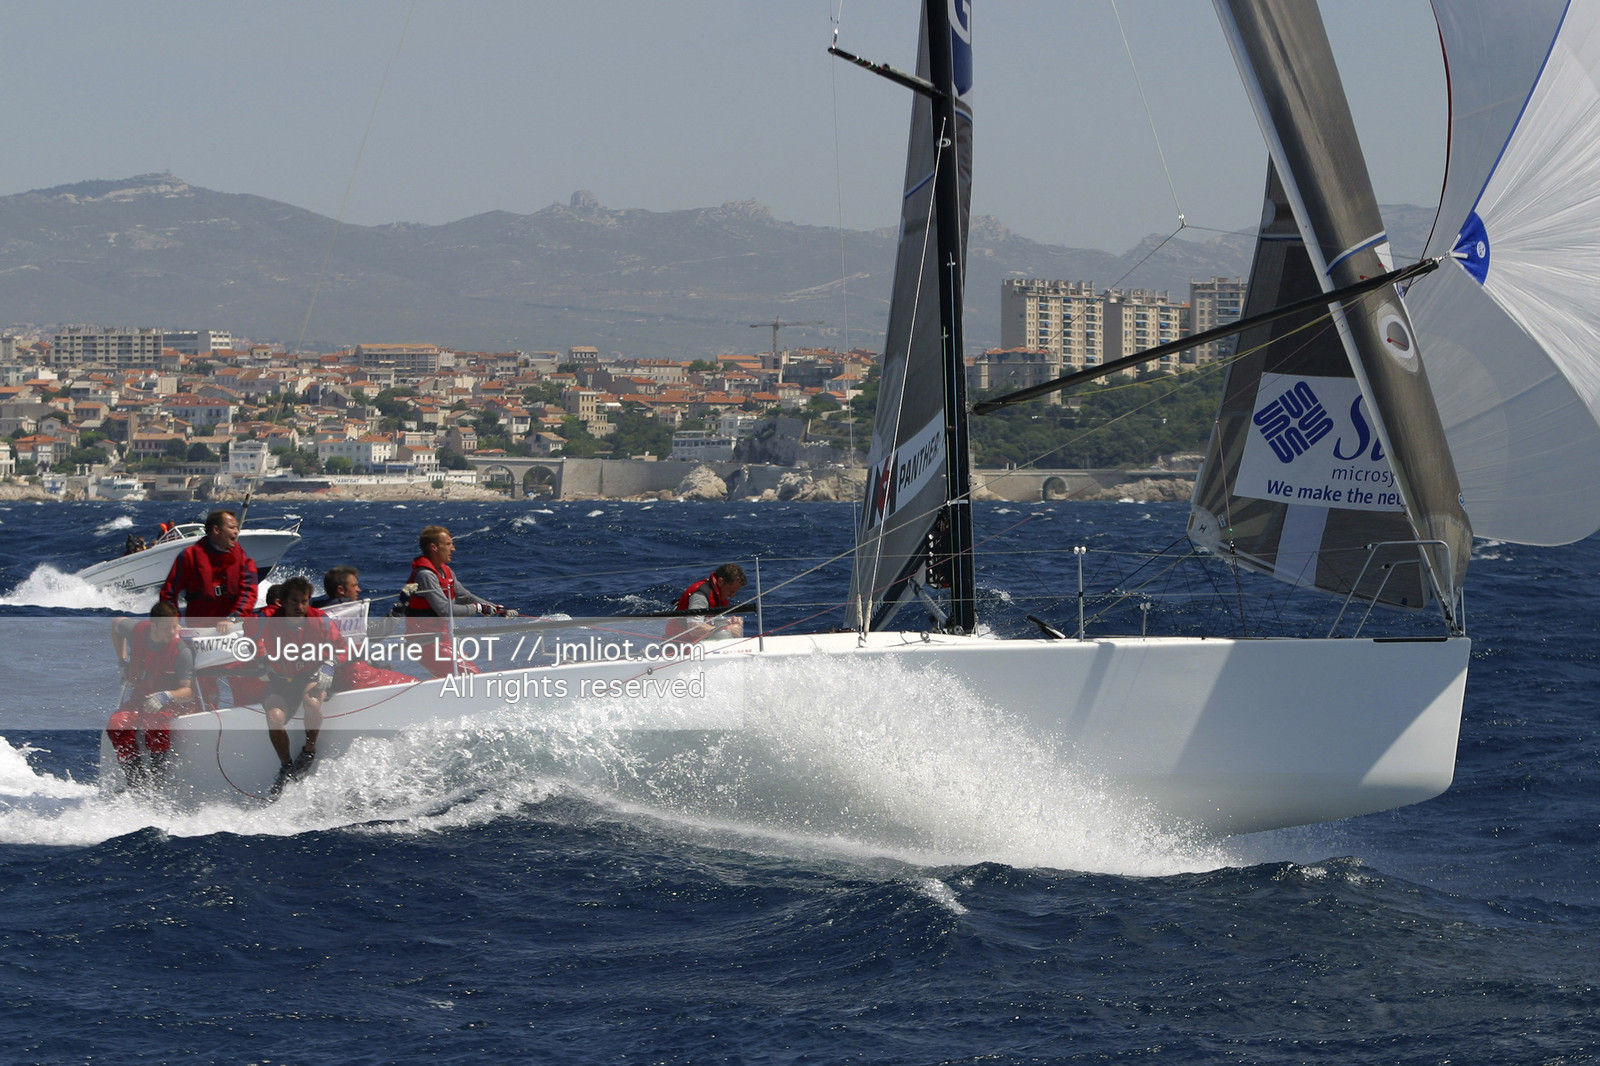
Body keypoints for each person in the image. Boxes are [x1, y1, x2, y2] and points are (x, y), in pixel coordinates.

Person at [256, 576, 340, 796]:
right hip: (281, 680)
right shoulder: (267, 619)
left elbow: (341, 646)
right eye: (294, 601)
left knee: (311, 702)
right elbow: (251, 641)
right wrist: (262, 661)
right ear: (282, 602)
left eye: (304, 601)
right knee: (273, 717)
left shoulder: (321, 620)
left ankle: (308, 752)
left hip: (312, 675)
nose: (300, 607)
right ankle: (286, 766)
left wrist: (330, 664)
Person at [106, 601, 198, 787]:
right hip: (141, 698)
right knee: (117, 724)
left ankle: (157, 783)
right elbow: (116, 624)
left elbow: (189, 692)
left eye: (175, 626)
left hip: (172, 703)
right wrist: (122, 662)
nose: (173, 632)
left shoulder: (182, 651)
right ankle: (136, 782)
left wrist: (166, 696)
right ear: (153, 625)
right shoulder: (137, 630)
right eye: (167, 628)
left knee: (154, 723)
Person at [404, 526, 509, 678]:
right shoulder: (425, 575)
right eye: (448, 544)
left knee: (458, 678)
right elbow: (445, 611)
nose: (453, 548)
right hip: (426, 642)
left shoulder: (447, 572)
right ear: (434, 547)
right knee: (469, 675)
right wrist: (478, 608)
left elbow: (465, 596)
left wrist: (497, 609)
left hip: (442, 639)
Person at [158, 509, 258, 630]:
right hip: (200, 629)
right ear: (216, 530)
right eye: (232, 527)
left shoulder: (242, 558)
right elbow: (169, 592)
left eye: (237, 528)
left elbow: (249, 592)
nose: (237, 532)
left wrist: (234, 619)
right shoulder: (189, 557)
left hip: (234, 628)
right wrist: (172, 622)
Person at [666, 563, 747, 642]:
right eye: (731, 591)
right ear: (720, 581)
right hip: (679, 644)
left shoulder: (720, 595)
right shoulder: (701, 596)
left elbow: (710, 621)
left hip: (698, 642)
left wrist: (729, 622)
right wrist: (727, 628)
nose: (732, 596)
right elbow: (694, 628)